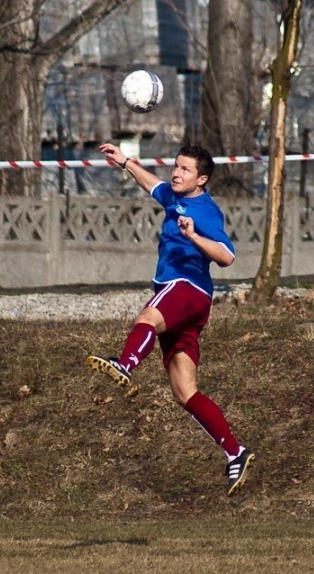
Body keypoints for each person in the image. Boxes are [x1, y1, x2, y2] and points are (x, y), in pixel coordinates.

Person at [86, 142, 255, 496]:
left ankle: (126, 364)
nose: (176, 173)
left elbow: (227, 256)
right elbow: (154, 185)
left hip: (186, 287)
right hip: (188, 300)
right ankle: (235, 451)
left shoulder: (206, 211)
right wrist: (125, 162)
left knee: (148, 316)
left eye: (185, 169)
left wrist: (194, 235)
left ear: (201, 179)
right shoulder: (174, 196)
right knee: (185, 391)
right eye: (176, 166)